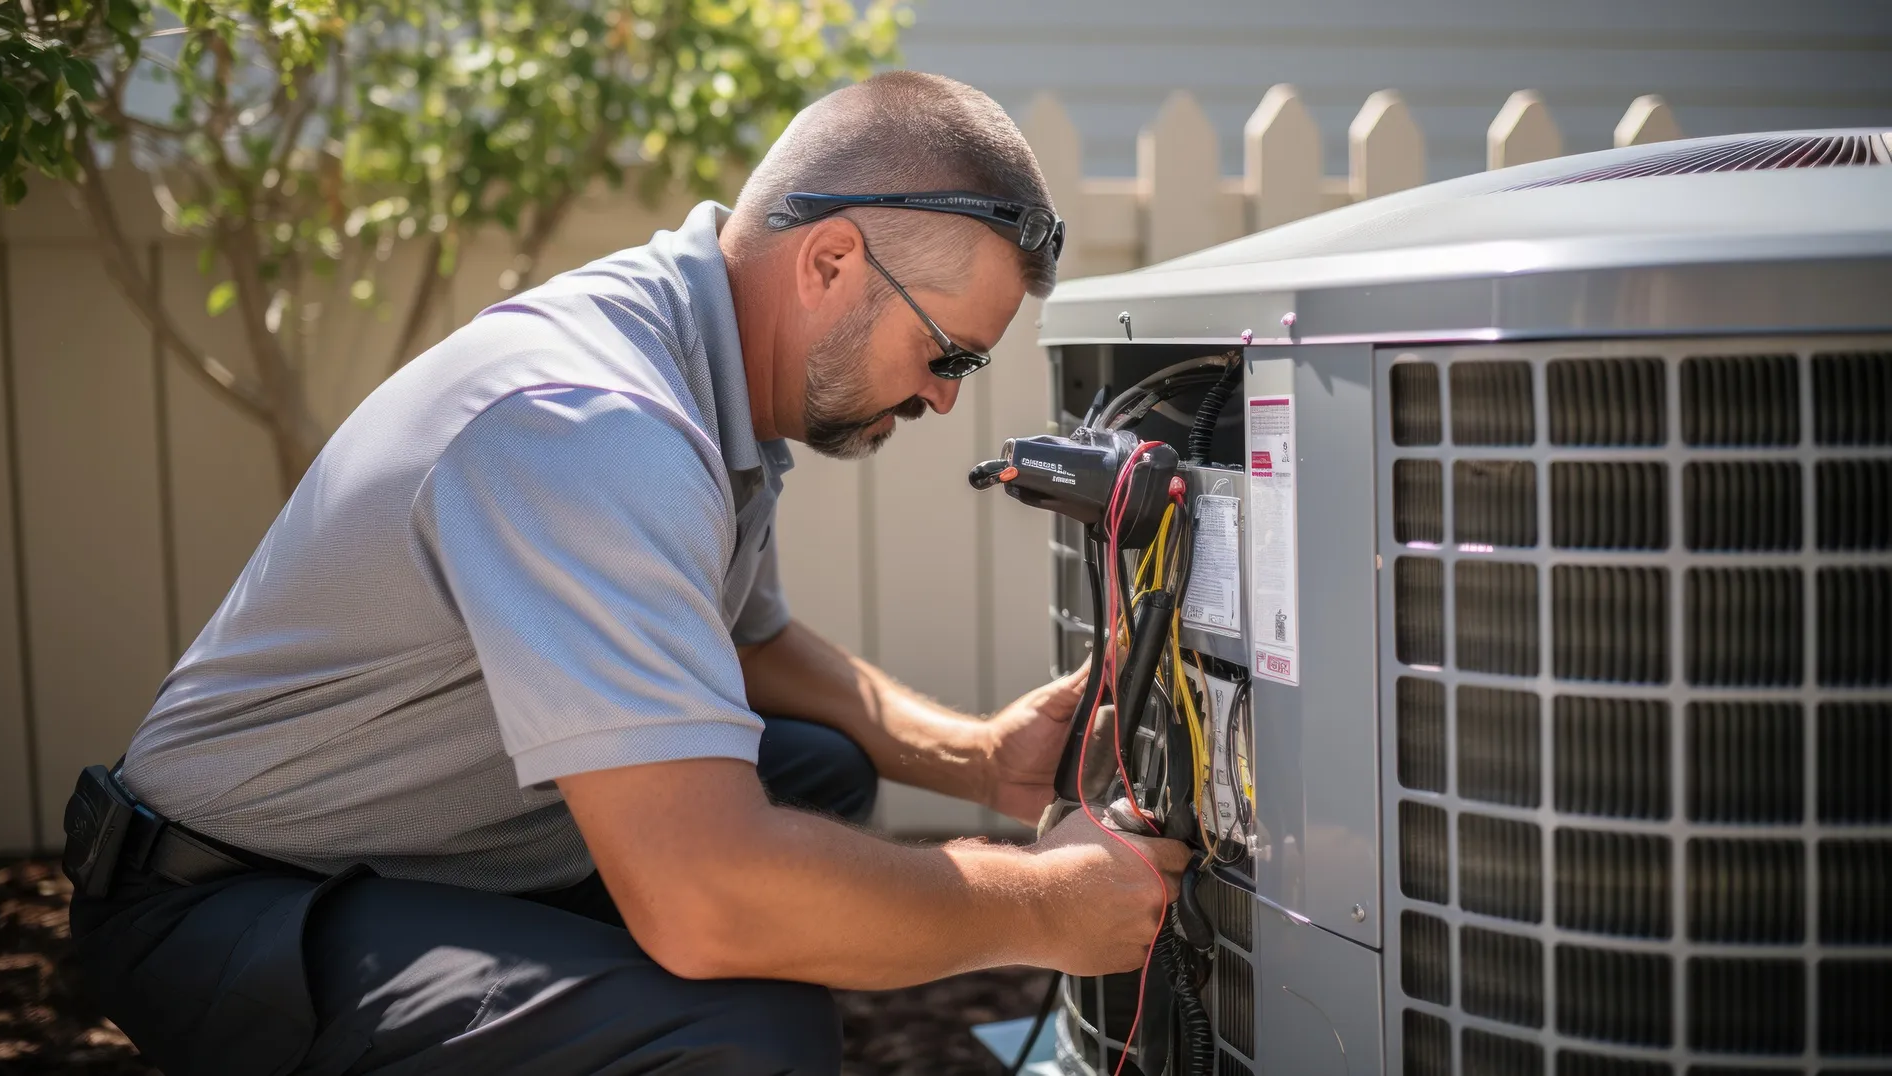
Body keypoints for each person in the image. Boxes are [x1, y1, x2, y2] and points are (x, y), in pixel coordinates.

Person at [62, 71, 1188, 1076]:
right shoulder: (593, 423)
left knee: (814, 771)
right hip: (224, 907)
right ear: (833, 262)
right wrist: (1045, 904)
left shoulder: (703, 379)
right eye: (948, 354)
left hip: (399, 851)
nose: (946, 397)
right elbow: (708, 898)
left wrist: (981, 757)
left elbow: (745, 648)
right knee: (740, 1033)